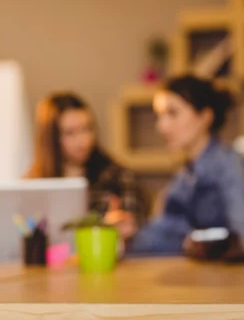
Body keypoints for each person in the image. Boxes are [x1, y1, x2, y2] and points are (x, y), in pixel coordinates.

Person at [128, 75, 244, 259]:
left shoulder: (229, 165)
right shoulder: (185, 173)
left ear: (205, 117)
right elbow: (164, 232)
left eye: (173, 113)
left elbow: (240, 235)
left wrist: (204, 244)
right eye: (159, 116)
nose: (162, 126)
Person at [25, 92, 147, 239]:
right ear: (51, 138)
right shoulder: (32, 185)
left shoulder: (118, 178)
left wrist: (113, 227)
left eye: (87, 129)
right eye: (70, 133)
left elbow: (139, 226)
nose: (82, 140)